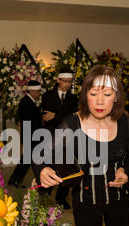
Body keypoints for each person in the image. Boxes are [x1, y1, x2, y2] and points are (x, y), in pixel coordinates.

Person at [33, 65, 129, 226]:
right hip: (86, 199)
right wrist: (43, 169)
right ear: (85, 95)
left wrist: (125, 170)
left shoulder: (124, 122)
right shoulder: (73, 123)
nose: (100, 101)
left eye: (107, 94)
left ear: (116, 97)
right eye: (93, 94)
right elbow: (40, 153)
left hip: (120, 199)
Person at [40, 66, 79, 209]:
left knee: (66, 168)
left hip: (67, 138)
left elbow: (71, 119)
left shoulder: (73, 98)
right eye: (65, 81)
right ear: (58, 80)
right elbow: (47, 117)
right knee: (49, 167)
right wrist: (60, 117)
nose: (67, 84)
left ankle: (61, 199)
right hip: (50, 138)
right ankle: (43, 197)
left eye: (70, 81)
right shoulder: (47, 96)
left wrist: (56, 116)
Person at [8, 80, 43, 188]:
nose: (38, 93)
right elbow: (29, 122)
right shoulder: (27, 102)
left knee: (26, 160)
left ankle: (15, 179)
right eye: (37, 91)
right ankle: (15, 179)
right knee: (26, 160)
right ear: (31, 90)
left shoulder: (28, 101)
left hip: (30, 135)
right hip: (31, 136)